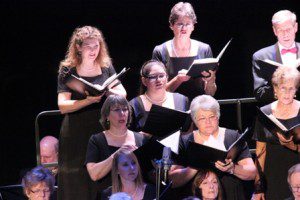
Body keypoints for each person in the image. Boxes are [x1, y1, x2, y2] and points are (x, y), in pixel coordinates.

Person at [57, 26, 126, 200]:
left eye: (96, 46)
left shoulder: (105, 66)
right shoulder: (68, 69)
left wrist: (106, 92)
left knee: (102, 174)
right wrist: (86, 101)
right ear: (78, 47)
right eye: (89, 46)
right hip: (75, 131)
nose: (93, 51)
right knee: (77, 179)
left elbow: (123, 93)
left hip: (101, 127)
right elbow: (62, 105)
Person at [170, 95, 256, 200]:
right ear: (195, 120)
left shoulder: (233, 137)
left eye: (211, 116)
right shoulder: (184, 142)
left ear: (218, 116)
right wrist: (194, 166)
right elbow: (172, 180)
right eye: (202, 118)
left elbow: (252, 172)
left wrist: (232, 168)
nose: (208, 122)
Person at [152, 2, 217, 100]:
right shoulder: (160, 51)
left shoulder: (204, 49)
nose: (184, 28)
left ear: (193, 26)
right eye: (179, 24)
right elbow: (156, 92)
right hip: (170, 106)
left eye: (188, 24)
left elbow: (210, 93)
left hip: (198, 108)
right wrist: (178, 80)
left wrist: (211, 80)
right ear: (171, 26)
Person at [253, 67, 300, 200]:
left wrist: (292, 145)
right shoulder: (264, 113)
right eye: (283, 88)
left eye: (291, 88)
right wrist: (258, 187)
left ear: (296, 90)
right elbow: (260, 152)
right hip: (273, 175)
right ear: (275, 89)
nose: (287, 93)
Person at [85, 95, 147, 195]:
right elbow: (94, 174)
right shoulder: (97, 140)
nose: (122, 114)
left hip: (137, 195)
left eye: (125, 109)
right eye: (117, 110)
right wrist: (117, 154)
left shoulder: (140, 138)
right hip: (109, 195)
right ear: (107, 116)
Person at [252, 10, 300, 104]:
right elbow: (260, 94)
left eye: (288, 29)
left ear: (295, 27)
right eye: (280, 30)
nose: (285, 34)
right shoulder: (261, 56)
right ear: (274, 31)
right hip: (276, 114)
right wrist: (281, 82)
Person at [129, 60, 190, 132]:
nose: (158, 80)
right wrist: (140, 136)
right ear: (144, 81)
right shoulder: (134, 105)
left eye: (161, 76)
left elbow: (187, 132)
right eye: (153, 77)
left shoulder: (182, 100)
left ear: (167, 77)